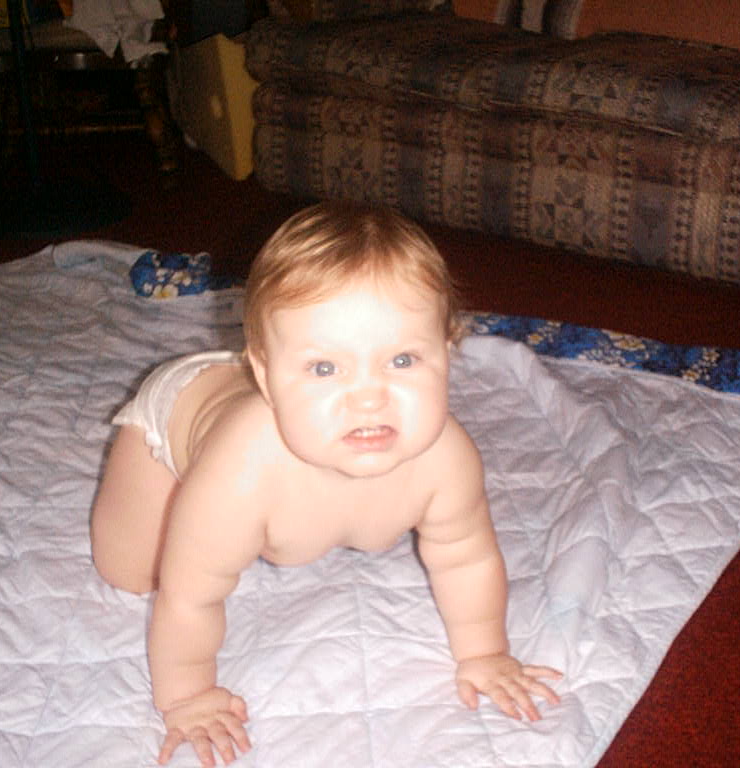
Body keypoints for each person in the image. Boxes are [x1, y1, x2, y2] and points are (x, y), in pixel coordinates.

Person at [90, 201, 562, 766]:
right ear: (265, 375)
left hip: (255, 388)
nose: (368, 398)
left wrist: (485, 653)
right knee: (134, 573)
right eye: (324, 368)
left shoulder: (447, 460)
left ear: (448, 351)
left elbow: (466, 557)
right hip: (181, 409)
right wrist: (187, 696)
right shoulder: (237, 475)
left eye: (402, 360)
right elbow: (190, 598)